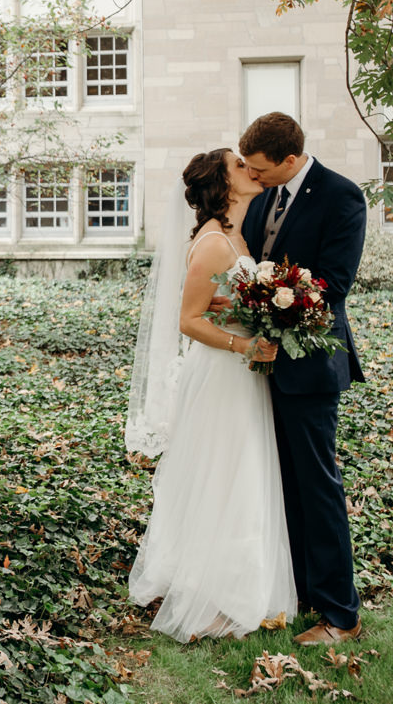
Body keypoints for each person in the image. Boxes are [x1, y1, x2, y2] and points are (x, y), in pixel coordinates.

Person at [125, 148, 297, 642]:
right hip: (222, 375)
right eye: (239, 164)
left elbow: (221, 305)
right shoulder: (213, 244)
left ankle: (233, 585)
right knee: (225, 476)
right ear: (223, 184)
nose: (249, 168)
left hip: (239, 375)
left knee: (236, 475)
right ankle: (213, 597)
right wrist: (246, 343)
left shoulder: (235, 235)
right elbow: (188, 320)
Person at [237, 112, 366, 646]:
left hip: (310, 364)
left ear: (290, 160)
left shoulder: (341, 196)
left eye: (262, 169)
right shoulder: (262, 196)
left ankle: (341, 614)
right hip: (259, 363)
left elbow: (334, 283)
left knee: (317, 488)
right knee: (281, 484)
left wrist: (267, 295)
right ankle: (297, 592)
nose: (254, 176)